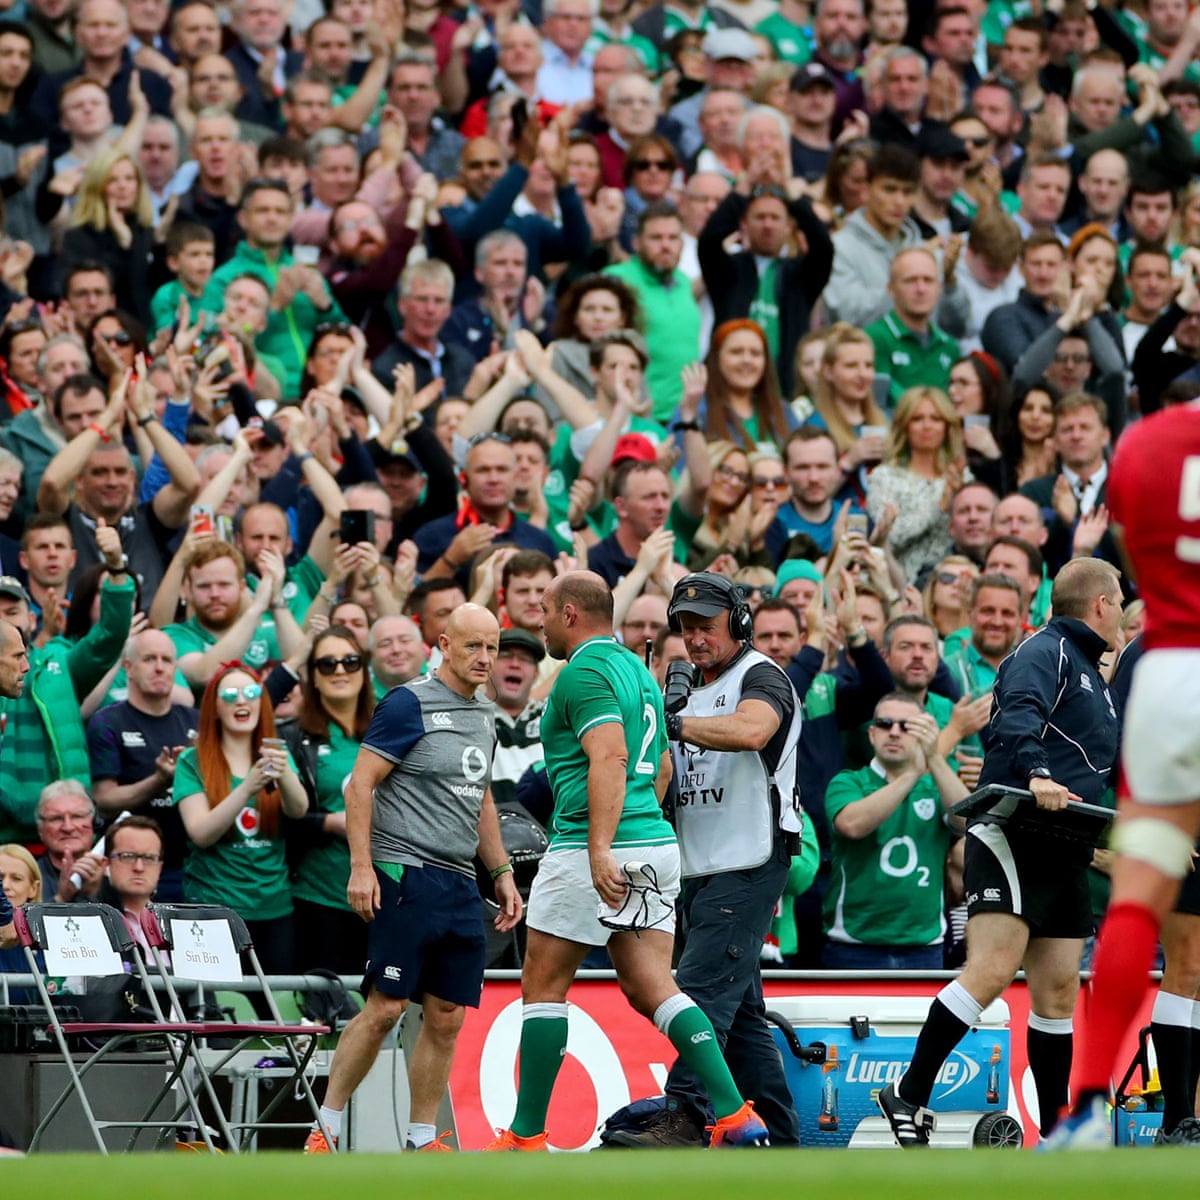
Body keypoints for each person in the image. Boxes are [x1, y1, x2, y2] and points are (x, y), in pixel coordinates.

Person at [485, 571, 771, 1151]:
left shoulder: (582, 673)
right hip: (655, 840)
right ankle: (735, 1112)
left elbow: (610, 755)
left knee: (543, 986)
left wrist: (598, 848)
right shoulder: (639, 673)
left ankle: (524, 1136)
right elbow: (661, 769)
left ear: (570, 614)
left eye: (544, 610)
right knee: (652, 987)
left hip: (589, 844)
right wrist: (637, 830)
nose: (537, 622)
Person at [879, 558, 1123, 1146]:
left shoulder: (1093, 673)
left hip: (1066, 842)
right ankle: (908, 1093)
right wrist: (1036, 772)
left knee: (1060, 988)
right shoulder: (1045, 650)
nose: (1121, 613)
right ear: (1100, 605)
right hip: (1014, 830)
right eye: (1118, 602)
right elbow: (1017, 715)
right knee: (989, 971)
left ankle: (1059, 1130)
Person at [304, 605, 520, 1154]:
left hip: (456, 881)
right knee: (386, 1008)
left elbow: (483, 798)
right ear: (444, 644)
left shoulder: (483, 713)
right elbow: (360, 786)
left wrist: (500, 872)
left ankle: (421, 1138)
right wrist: (361, 866)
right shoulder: (409, 702)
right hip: (404, 871)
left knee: (447, 1015)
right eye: (473, 646)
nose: (485, 659)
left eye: (492, 648)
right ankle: (324, 1127)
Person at [1045, 395, 1200, 1145]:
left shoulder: (1145, 444)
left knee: (1140, 909)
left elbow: (1129, 551)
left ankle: (1086, 1109)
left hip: (1171, 666)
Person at [616, 570, 803, 1148]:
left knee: (697, 990)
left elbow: (753, 730)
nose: (696, 638)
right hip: (698, 866)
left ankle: (686, 1113)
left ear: (739, 624)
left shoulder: (762, 675)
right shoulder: (689, 689)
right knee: (742, 1020)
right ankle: (782, 1144)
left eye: (707, 626)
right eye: (686, 628)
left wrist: (671, 722)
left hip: (748, 860)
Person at [172, 662, 309, 974]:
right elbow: (201, 832)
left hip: (274, 907)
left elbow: (298, 810)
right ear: (214, 707)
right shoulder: (191, 760)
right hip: (213, 907)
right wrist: (248, 786)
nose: (242, 701)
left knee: (274, 1011)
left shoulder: (276, 753)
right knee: (222, 1010)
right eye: (230, 694)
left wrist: (284, 772)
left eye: (251, 692)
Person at [823, 692, 967, 968]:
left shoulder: (937, 786)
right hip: (854, 944)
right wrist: (913, 773)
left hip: (923, 945)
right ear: (872, 734)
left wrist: (933, 758)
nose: (895, 732)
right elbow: (853, 824)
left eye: (907, 726)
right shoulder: (849, 781)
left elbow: (965, 821)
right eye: (886, 724)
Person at [285, 626, 374, 975]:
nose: (340, 670)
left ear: (364, 671)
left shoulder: (390, 728)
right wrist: (328, 822)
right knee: (327, 1011)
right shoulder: (293, 737)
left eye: (351, 662)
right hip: (319, 895)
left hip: (386, 894)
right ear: (313, 678)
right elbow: (280, 817)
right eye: (327, 664)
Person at [86, 628, 198, 902]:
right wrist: (158, 780)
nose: (159, 668)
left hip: (190, 867)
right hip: (129, 870)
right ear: (129, 668)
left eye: (167, 660)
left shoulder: (197, 721)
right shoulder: (107, 723)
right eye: (149, 659)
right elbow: (104, 800)